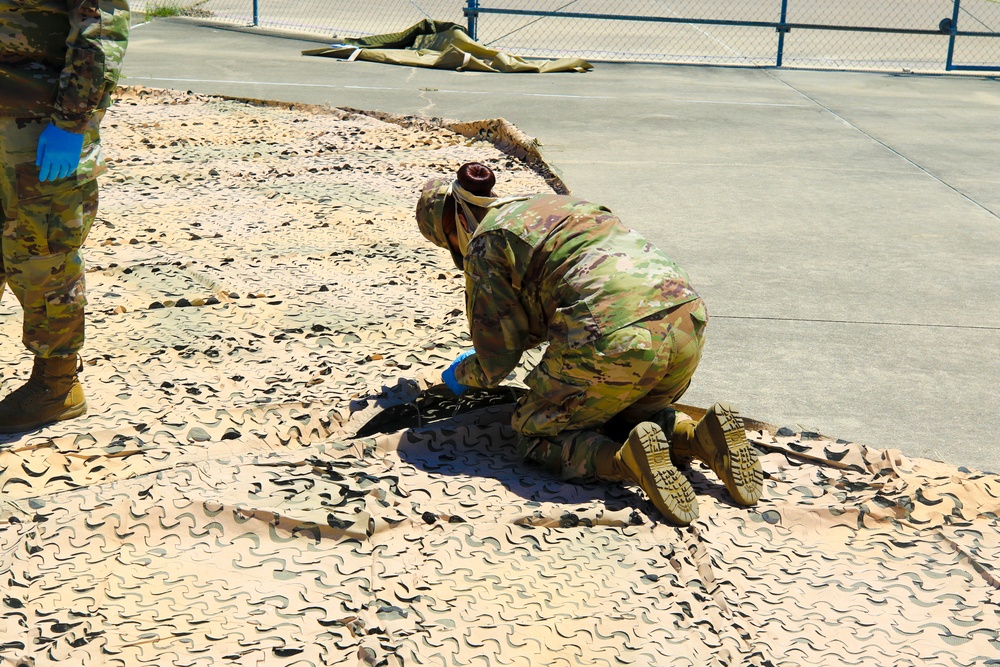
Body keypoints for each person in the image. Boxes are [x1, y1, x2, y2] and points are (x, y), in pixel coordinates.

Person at [415, 162, 763, 525]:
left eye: (449, 243)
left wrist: (460, 374)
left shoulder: (486, 240)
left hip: (616, 337)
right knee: (619, 412)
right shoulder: (557, 206)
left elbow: (495, 363)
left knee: (536, 430)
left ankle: (625, 461)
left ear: (451, 222)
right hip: (686, 323)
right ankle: (699, 437)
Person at [0, 0, 130, 432]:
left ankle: (57, 387)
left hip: (38, 128)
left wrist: (72, 122)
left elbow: (102, 28)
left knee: (44, 259)